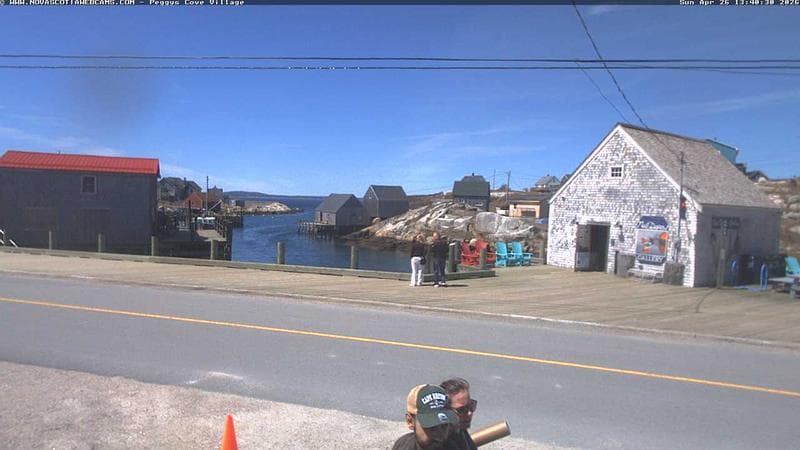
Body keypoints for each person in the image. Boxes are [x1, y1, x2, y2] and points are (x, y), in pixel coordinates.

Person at [392, 384, 459, 450]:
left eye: (444, 426)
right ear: (410, 421)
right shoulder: (403, 445)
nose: (439, 436)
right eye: (432, 428)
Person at [440, 378, 478, 450]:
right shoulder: (442, 443)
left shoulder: (459, 429)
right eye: (462, 410)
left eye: (470, 405)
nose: (469, 412)